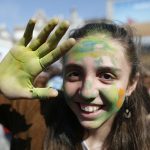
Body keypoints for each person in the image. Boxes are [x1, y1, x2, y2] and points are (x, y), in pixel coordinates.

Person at [0, 18, 150, 150]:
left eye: (106, 76)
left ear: (131, 84)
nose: (87, 92)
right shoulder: (36, 114)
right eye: (75, 74)